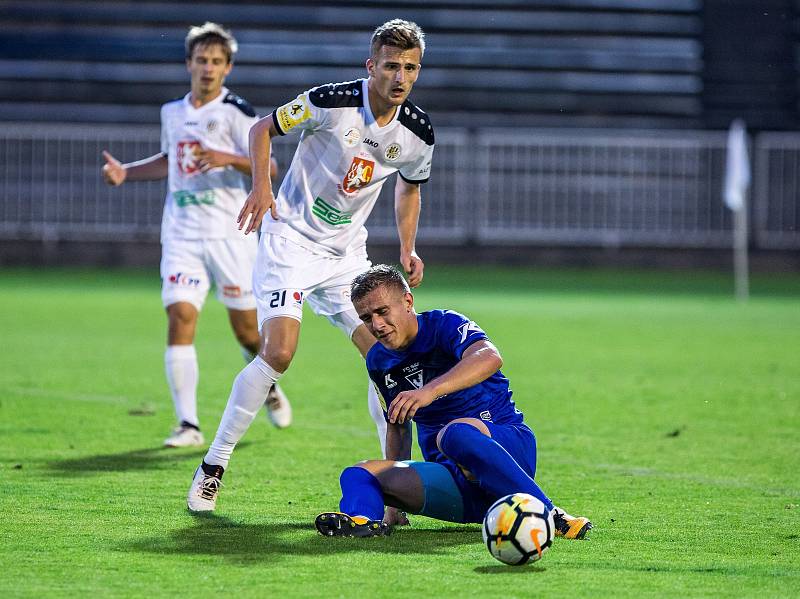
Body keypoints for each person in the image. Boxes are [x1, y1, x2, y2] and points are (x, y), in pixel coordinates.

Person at [187, 19, 434, 514]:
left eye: (409, 68)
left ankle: (395, 493)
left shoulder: (417, 132)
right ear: (372, 66)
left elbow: (409, 186)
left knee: (388, 361)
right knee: (278, 353)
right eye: (390, 66)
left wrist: (407, 247)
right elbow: (263, 128)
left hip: (345, 258)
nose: (399, 76)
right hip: (290, 241)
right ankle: (214, 464)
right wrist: (261, 187)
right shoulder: (331, 101)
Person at [101, 22, 291, 448]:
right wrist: (125, 173)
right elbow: (171, 160)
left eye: (217, 62)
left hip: (231, 232)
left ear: (227, 69)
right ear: (188, 63)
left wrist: (226, 157)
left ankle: (269, 385)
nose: (208, 68)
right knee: (181, 316)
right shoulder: (172, 112)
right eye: (201, 60)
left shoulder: (236, 111)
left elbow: (271, 168)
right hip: (183, 232)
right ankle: (188, 423)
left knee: (246, 331)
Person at [314, 265, 592, 539]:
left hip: (507, 452)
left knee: (454, 434)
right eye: (366, 318)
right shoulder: (378, 360)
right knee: (359, 473)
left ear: (408, 302)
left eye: (382, 312)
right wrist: (394, 504)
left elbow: (489, 356)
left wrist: (429, 391)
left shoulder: (444, 325)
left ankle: (550, 514)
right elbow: (398, 427)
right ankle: (363, 522)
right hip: (457, 487)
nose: (376, 325)